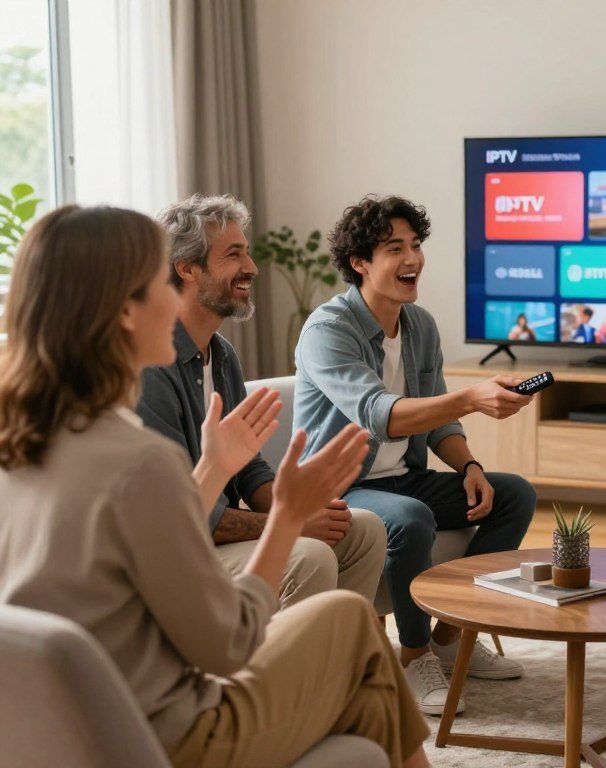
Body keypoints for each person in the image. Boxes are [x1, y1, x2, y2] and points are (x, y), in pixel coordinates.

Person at [0, 205, 431, 768]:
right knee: (350, 626)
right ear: (126, 311)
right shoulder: (139, 461)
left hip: (68, 734)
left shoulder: (25, 437)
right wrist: (286, 518)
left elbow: (139, 532)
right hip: (178, 739)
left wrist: (212, 470)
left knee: (364, 703)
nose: (172, 300)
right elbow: (229, 646)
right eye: (159, 281)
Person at [293, 195, 538, 715]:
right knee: (410, 518)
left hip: (404, 476)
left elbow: (438, 419)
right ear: (360, 263)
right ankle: (414, 655)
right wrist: (472, 397)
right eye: (394, 249)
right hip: (341, 487)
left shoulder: (419, 325)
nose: (413, 259)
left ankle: (451, 638)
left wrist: (469, 466)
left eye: (416, 245)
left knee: (514, 494)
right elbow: (379, 414)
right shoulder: (328, 330)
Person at [138, 194, 387, 608]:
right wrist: (287, 523)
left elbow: (248, 465)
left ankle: (340, 648)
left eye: (247, 252)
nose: (252, 267)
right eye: (234, 254)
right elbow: (176, 511)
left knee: (363, 530)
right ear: (187, 268)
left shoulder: (222, 355)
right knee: (308, 556)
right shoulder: (152, 365)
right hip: (178, 550)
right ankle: (288, 652)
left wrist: (299, 508)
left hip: (216, 533)